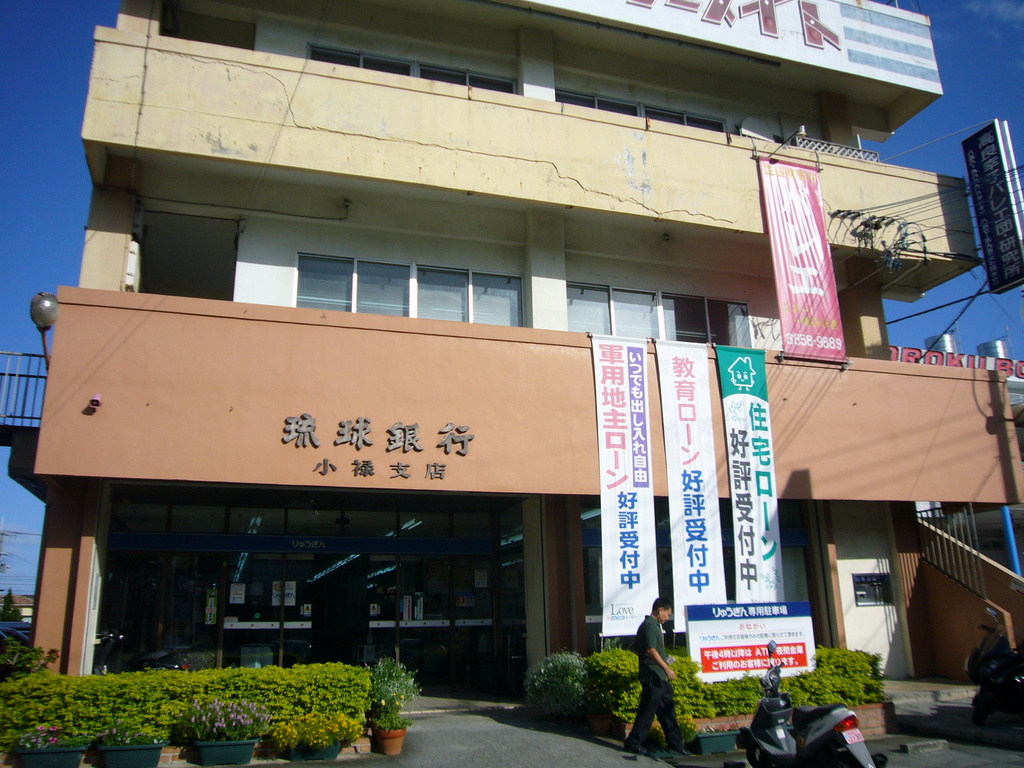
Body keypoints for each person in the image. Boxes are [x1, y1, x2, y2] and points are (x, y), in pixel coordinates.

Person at [623, 597, 690, 758]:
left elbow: (637, 649)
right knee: (648, 710)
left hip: (658, 676)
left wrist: (662, 660)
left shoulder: (652, 626)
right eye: (667, 614)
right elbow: (651, 650)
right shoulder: (650, 626)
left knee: (667, 710)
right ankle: (634, 742)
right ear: (660, 610)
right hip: (653, 676)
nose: (667, 618)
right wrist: (666, 668)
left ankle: (676, 744)